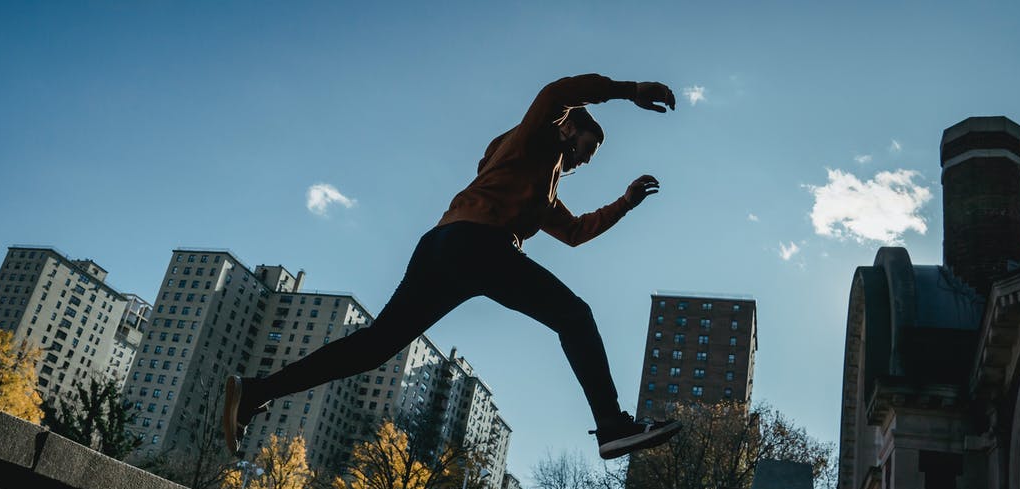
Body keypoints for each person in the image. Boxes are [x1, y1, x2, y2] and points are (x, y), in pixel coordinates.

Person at [224, 73, 683, 460]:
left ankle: (256, 392)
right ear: (568, 130)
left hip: (442, 247)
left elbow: (576, 232)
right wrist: (630, 90)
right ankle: (612, 425)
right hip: (478, 245)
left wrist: (624, 203)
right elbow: (558, 91)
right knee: (575, 315)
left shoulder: (539, 188)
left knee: (375, 346)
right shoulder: (536, 138)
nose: (585, 160)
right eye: (587, 149)